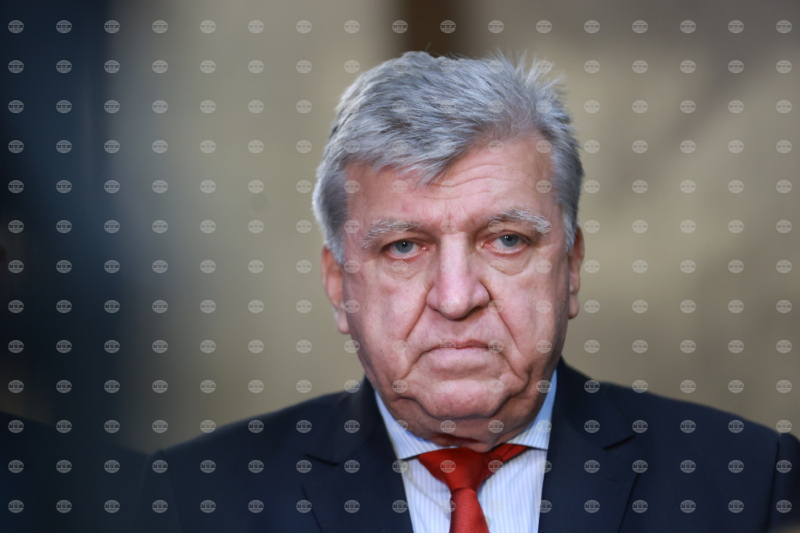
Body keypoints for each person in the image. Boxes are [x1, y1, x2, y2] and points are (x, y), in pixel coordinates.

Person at [134, 51, 799, 533]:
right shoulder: (193, 502)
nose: (456, 299)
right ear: (339, 285)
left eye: (506, 239)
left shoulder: (751, 483)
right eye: (403, 246)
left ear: (570, 267)